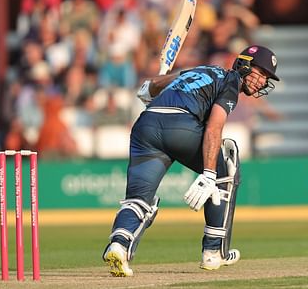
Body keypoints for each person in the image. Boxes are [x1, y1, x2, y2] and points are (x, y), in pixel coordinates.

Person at [102, 45, 280, 276]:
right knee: (227, 163)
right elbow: (214, 127)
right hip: (179, 126)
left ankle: (119, 244)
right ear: (244, 64)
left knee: (138, 199)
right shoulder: (231, 82)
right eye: (260, 72)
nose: (261, 81)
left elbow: (157, 84)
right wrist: (209, 174)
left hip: (145, 125)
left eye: (267, 77)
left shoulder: (202, 70)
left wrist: (148, 89)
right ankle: (214, 251)